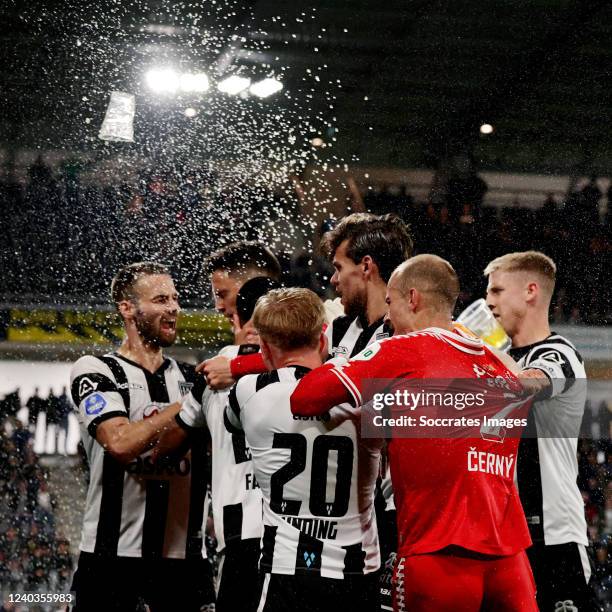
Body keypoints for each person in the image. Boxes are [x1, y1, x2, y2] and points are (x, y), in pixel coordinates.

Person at [290, 255, 538, 612]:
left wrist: (333, 344)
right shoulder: (498, 362)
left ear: (413, 299)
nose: (387, 317)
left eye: (390, 303)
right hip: (510, 561)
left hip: (438, 556)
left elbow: (305, 397)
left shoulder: (403, 350)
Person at [204, 213, 413, 611]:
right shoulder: (341, 329)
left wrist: (235, 370)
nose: (333, 280)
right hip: (340, 520)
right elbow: (290, 349)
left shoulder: (406, 334)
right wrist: (237, 365)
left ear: (366, 267)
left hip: (389, 518)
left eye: (339, 267)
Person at [68, 262, 214, 612]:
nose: (174, 308)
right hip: (110, 560)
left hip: (184, 562)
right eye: (161, 299)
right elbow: (118, 443)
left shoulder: (192, 376)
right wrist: (187, 405)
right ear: (127, 308)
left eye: (175, 299)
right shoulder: (96, 370)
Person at [225, 287, 381, 611]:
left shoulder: (247, 392)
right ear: (322, 340)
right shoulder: (369, 398)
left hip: (286, 572)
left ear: (265, 349)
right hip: (356, 574)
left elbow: (233, 422)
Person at [154, 275, 281, 612]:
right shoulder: (305, 367)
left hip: (240, 535)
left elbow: (165, 449)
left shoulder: (212, 372)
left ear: (239, 317)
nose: (220, 306)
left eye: (225, 300)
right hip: (298, 534)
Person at [485, 250, 600, 612]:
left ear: (530, 291)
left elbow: (527, 385)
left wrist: (477, 347)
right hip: (501, 535)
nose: (488, 301)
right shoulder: (498, 354)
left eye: (498, 291)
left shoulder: (560, 353)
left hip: (553, 537)